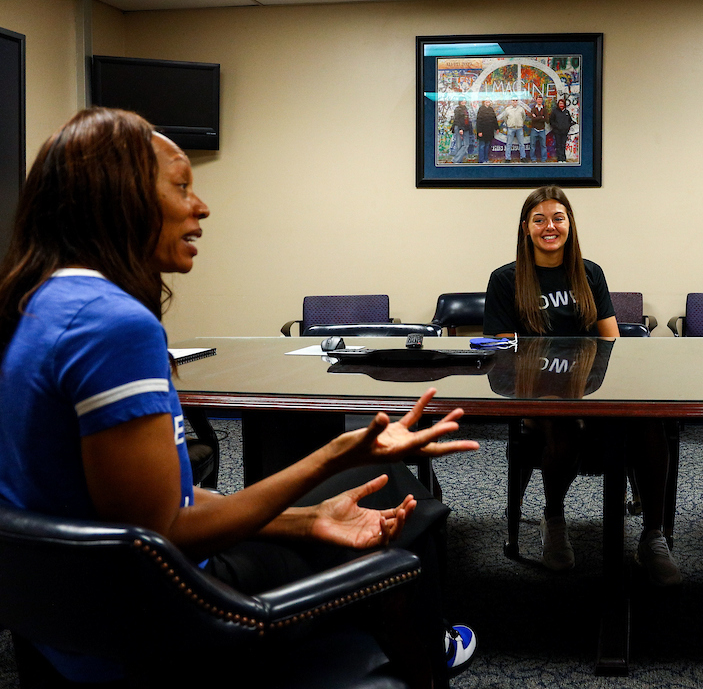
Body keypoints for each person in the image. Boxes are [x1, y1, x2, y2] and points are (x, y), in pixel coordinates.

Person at [0, 108, 480, 686]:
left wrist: (306, 521)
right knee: (401, 508)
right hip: (178, 622)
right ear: (118, 196)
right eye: (181, 186)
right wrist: (337, 455)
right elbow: (163, 534)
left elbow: (139, 509)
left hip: (77, 620)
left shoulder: (38, 305)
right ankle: (428, 649)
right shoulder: (112, 326)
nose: (200, 207)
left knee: (382, 487)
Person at [482, 185, 681, 585]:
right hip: (536, 395)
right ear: (526, 228)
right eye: (539, 219)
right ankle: (553, 519)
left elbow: (611, 342)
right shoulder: (506, 279)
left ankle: (652, 536)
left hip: (592, 389)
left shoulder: (589, 273)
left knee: (651, 422)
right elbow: (500, 352)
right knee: (563, 425)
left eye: (558, 218)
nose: (549, 226)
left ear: (570, 225)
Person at [499, 98, 528, 163]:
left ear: (517, 101)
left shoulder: (521, 109)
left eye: (516, 100)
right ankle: (508, 158)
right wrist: (509, 124)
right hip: (511, 128)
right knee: (509, 144)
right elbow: (505, 118)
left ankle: (523, 157)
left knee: (521, 144)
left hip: (519, 128)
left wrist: (520, 123)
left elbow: (524, 117)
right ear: (511, 101)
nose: (515, 101)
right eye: (513, 100)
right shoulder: (508, 109)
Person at [549, 97, 574, 163]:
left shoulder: (566, 112)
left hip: (564, 131)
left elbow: (570, 121)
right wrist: (556, 127)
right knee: (558, 145)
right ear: (558, 104)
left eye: (562, 103)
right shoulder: (555, 112)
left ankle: (563, 158)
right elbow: (551, 121)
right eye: (560, 103)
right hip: (557, 132)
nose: (561, 105)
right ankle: (559, 158)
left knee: (563, 145)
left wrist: (567, 127)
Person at [475, 99, 498, 164]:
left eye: (489, 101)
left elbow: (494, 119)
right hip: (483, 131)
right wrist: (479, 131)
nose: (488, 102)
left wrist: (497, 128)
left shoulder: (491, 109)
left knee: (487, 145)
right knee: (482, 145)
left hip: (489, 131)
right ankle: (481, 160)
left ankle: (486, 159)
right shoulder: (481, 109)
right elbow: (479, 121)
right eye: (486, 101)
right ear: (484, 102)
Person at [450, 100, 472, 164]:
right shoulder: (457, 109)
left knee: (466, 144)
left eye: (465, 101)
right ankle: (458, 161)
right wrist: (460, 129)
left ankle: (456, 160)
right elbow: (457, 119)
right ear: (460, 102)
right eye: (462, 101)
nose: (464, 102)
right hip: (459, 127)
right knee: (458, 145)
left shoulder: (465, 109)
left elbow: (466, 120)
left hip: (466, 128)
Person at [528, 97, 549, 163]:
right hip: (534, 129)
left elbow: (547, 119)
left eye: (540, 99)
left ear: (542, 101)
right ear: (536, 100)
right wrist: (541, 117)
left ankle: (543, 159)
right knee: (532, 145)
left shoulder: (545, 109)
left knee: (543, 145)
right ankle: (533, 159)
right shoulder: (533, 109)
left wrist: (537, 117)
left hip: (542, 130)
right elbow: (532, 119)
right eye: (538, 99)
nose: (539, 101)